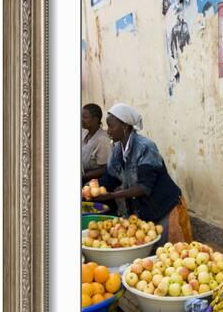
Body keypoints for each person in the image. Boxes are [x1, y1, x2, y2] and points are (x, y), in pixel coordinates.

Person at [95, 103, 193, 243]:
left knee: (169, 252)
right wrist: (91, 189)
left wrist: (112, 195)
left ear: (125, 126)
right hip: (143, 211)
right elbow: (111, 178)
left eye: (111, 126)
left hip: (164, 208)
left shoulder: (145, 147)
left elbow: (144, 187)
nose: (108, 131)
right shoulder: (117, 150)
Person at [81, 103, 112, 184]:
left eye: (85, 117)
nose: (81, 119)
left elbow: (106, 168)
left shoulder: (102, 139)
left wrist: (83, 176)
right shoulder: (84, 132)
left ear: (95, 119)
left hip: (93, 183)